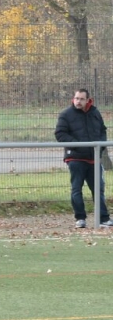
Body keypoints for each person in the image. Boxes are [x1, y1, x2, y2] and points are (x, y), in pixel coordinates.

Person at [54, 88, 113, 229]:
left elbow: (102, 130)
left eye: (81, 99)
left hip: (94, 159)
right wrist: (78, 146)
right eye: (76, 98)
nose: (78, 101)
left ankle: (103, 218)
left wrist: (101, 146)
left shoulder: (95, 113)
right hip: (75, 159)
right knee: (76, 189)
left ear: (88, 100)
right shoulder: (66, 114)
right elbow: (60, 134)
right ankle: (80, 218)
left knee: (98, 189)